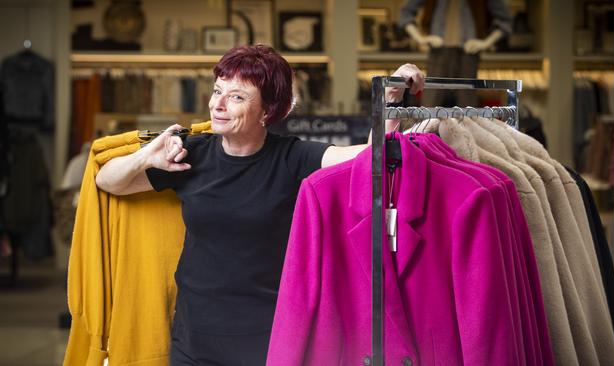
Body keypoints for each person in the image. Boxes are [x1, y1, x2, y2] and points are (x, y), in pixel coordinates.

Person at [95, 44, 424, 365]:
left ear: (267, 111)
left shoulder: (293, 157)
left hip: (265, 339)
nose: (218, 105)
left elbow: (369, 160)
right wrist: (143, 157)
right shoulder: (191, 154)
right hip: (193, 338)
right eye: (216, 91)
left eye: (236, 96)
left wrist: (389, 100)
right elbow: (108, 182)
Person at [399, 0, 511, 107]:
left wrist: (486, 43)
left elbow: (505, 19)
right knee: (430, 104)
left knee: (467, 108)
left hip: (469, 52)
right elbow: (406, 12)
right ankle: (427, 127)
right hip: (438, 51)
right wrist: (420, 38)